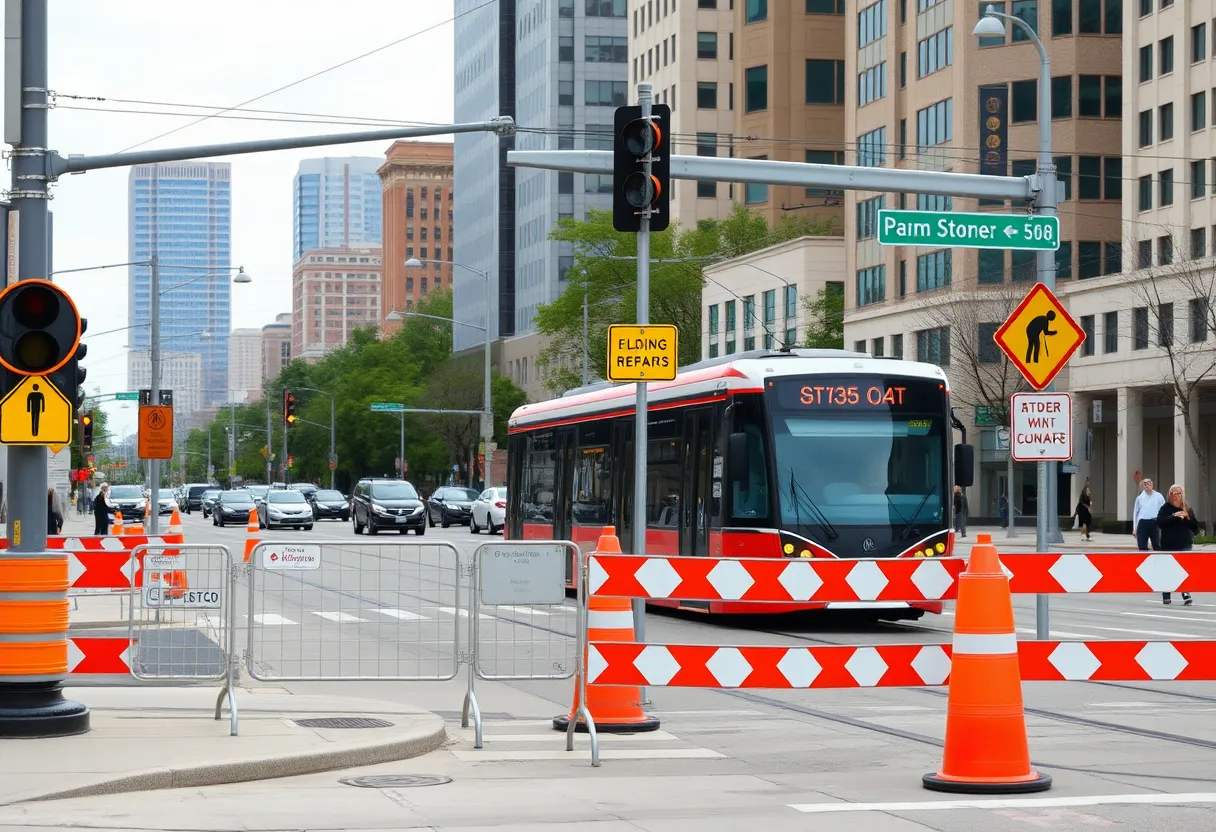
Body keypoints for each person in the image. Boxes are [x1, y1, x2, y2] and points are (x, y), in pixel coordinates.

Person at [1156, 484, 1199, 605]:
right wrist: (1174, 516)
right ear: (1170, 495)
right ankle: (1166, 594)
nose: (1177, 495)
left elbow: (1195, 527)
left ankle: (1186, 593)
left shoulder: (1186, 507)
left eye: (1179, 493)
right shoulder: (1166, 507)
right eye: (1174, 493)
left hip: (1184, 542)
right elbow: (1159, 522)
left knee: (1184, 569)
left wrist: (1186, 518)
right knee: (1168, 569)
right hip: (1169, 542)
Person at [1133, 477, 1165, 554]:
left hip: (1155, 522)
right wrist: (1135, 528)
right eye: (1145, 483)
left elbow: (1164, 510)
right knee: (1142, 546)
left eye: (1149, 483)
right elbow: (1135, 513)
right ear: (1143, 486)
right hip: (1142, 523)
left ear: (1152, 484)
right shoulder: (1139, 498)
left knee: (1157, 545)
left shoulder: (1159, 496)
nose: (1147, 485)